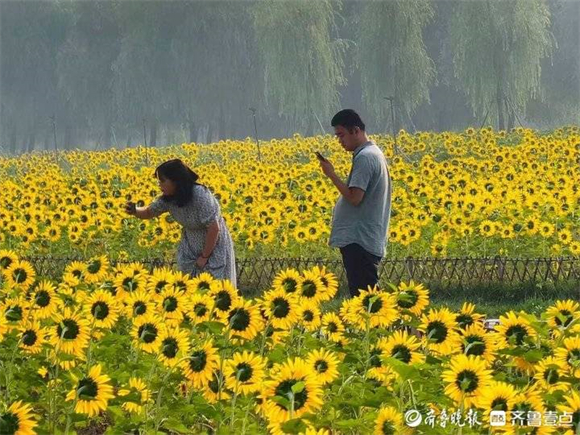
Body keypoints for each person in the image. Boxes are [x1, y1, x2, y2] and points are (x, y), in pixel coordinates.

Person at [124, 158, 237, 286]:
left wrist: (205, 256)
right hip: (191, 246)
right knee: (190, 287)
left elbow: (214, 228)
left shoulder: (200, 195)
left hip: (214, 244)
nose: (159, 184)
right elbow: (149, 212)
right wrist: (134, 210)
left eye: (162, 181)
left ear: (176, 181)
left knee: (216, 288)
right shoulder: (168, 199)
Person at [317, 109, 392, 297]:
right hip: (364, 238)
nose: (340, 141)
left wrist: (331, 174)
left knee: (365, 298)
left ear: (356, 130)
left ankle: (376, 326)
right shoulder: (372, 153)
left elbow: (354, 197)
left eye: (342, 135)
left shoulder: (366, 158)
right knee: (367, 295)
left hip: (360, 240)